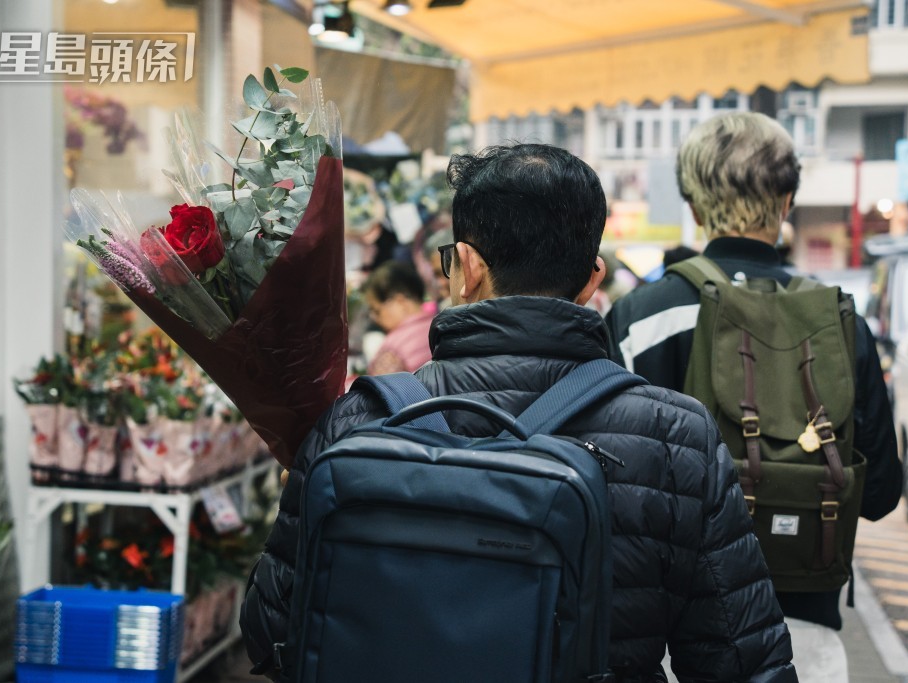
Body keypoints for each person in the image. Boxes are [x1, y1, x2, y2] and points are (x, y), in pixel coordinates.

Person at [240, 143, 797, 683]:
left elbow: (271, 635)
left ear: (466, 266)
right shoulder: (677, 436)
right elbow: (744, 663)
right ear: (593, 280)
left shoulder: (359, 419)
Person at [605, 112, 902, 682]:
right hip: (807, 637)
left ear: (691, 205)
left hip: (669, 643)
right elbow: (881, 493)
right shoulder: (839, 325)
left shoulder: (643, 318)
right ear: (787, 201)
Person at [362, 260, 435, 375]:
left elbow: (382, 388)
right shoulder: (441, 323)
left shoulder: (391, 349)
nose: (374, 318)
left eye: (377, 311)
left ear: (400, 302)